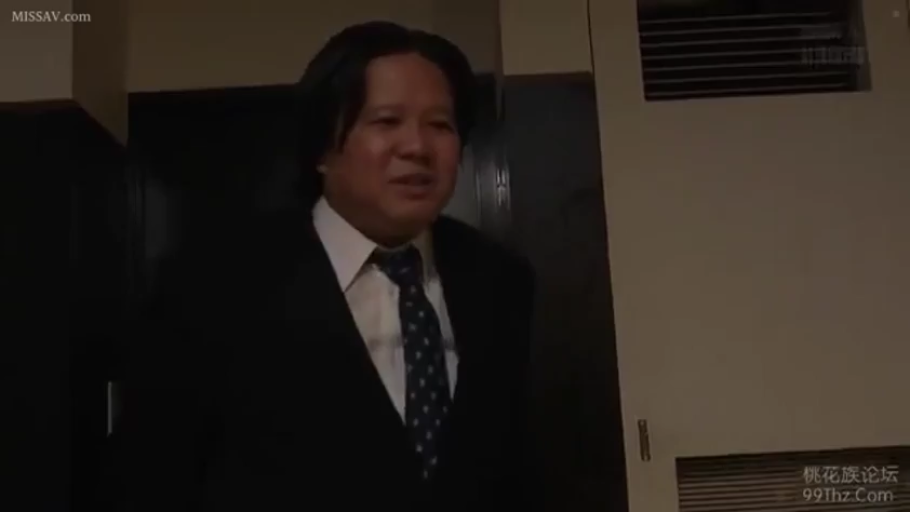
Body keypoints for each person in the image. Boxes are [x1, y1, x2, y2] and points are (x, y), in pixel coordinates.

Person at [106, 21, 538, 511]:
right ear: (321, 149)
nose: (418, 147)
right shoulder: (213, 284)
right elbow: (148, 476)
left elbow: (512, 466)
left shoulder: (499, 279)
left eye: (440, 125)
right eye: (386, 121)